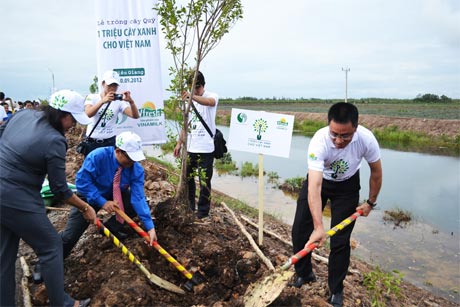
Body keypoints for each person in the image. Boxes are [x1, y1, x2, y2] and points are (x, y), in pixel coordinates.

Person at [0, 90, 96, 307]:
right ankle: (62, 303)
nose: (73, 125)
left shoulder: (24, 114)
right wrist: (84, 207)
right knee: (51, 246)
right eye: (72, 119)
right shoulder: (55, 140)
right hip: (16, 196)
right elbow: (60, 189)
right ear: (62, 115)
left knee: (4, 255)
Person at [290, 102, 382, 307]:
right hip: (320, 183)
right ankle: (304, 274)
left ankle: (336, 289)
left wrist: (370, 202)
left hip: (348, 186)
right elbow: (314, 186)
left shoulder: (366, 140)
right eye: (335, 134)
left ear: (355, 129)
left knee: (340, 240)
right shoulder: (319, 141)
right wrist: (318, 227)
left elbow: (376, 172)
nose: (339, 140)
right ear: (328, 126)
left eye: (345, 136)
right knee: (299, 231)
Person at [60, 131, 157, 259]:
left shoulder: (136, 169)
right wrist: (102, 202)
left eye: (135, 159)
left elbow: (138, 197)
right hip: (89, 196)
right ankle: (49, 260)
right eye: (130, 158)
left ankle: (110, 229)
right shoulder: (98, 156)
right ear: (118, 151)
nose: (132, 162)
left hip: (114, 194)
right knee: (71, 235)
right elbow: (82, 182)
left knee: (133, 204)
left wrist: (150, 227)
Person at [173, 71, 219, 219]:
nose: (195, 91)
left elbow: (209, 102)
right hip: (191, 147)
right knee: (188, 178)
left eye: (197, 88)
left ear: (202, 85)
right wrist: (179, 143)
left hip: (206, 148)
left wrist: (192, 97)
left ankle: (203, 212)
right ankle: (190, 206)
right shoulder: (189, 103)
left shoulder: (212, 96)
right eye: (193, 88)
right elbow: (186, 124)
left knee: (205, 181)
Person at [83, 70, 140, 154]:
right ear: (103, 84)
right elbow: (88, 113)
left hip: (109, 142)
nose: (112, 88)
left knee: (109, 166)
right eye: (110, 85)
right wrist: (102, 101)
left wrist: (131, 102)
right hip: (92, 142)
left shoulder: (119, 101)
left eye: (115, 85)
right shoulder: (92, 97)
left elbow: (135, 116)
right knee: (92, 166)